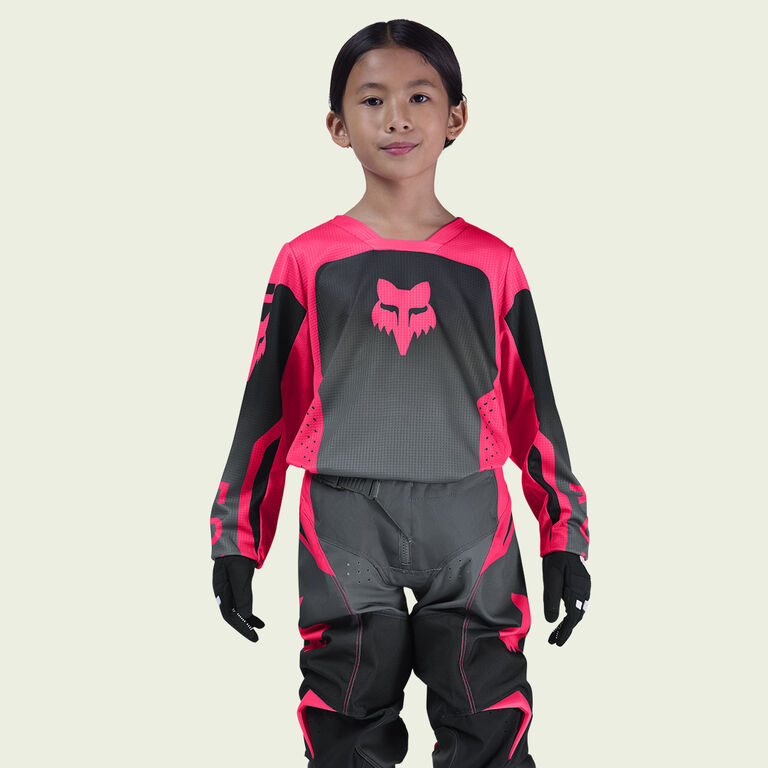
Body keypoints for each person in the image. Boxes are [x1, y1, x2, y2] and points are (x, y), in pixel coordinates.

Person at [209, 18, 591, 768]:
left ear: (456, 116)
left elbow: (533, 408)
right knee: (345, 719)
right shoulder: (306, 261)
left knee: (489, 718)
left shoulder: (492, 263)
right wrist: (236, 541)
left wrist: (563, 537)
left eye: (419, 96)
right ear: (337, 125)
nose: (397, 118)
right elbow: (266, 408)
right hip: (344, 524)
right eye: (371, 99)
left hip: (471, 524)